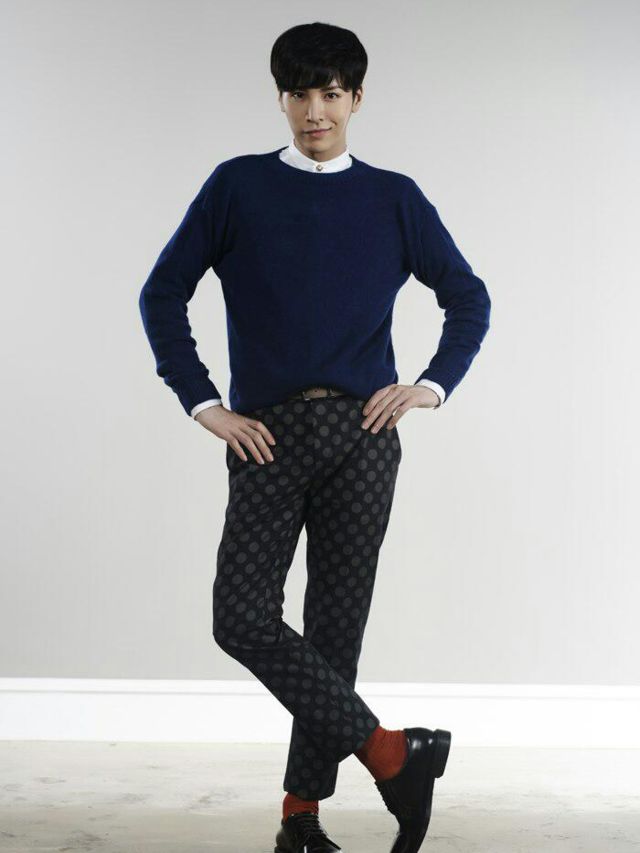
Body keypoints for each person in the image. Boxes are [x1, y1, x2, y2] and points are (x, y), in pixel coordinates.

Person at [138, 20, 491, 853]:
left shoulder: (394, 198)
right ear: (281, 98)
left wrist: (431, 385)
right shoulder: (238, 186)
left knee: (336, 631)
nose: (314, 111)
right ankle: (393, 753)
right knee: (242, 618)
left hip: (364, 435)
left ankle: (301, 815)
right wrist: (203, 403)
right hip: (265, 434)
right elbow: (162, 294)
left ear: (357, 98)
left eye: (331, 93)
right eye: (299, 93)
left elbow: (467, 297)